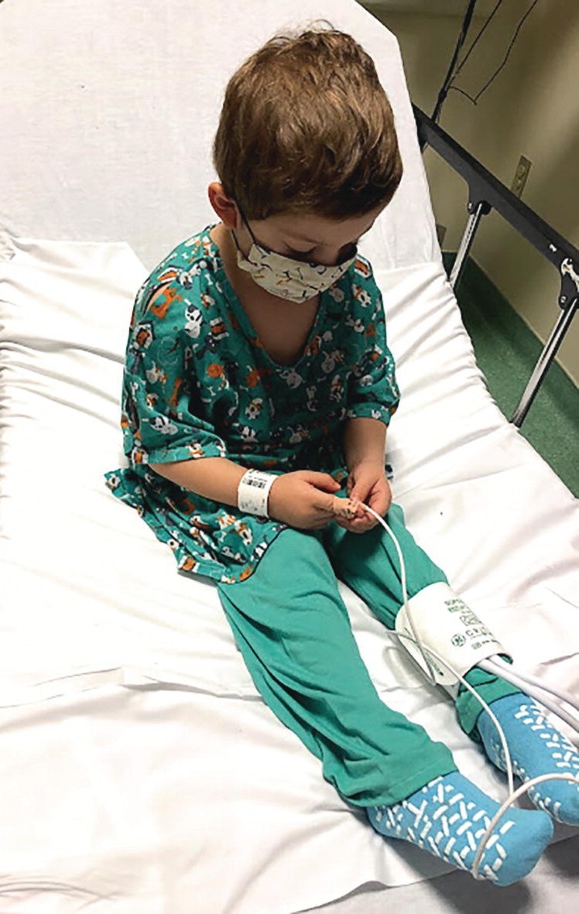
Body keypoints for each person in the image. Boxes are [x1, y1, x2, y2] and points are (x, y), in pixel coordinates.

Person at [106, 25, 579, 886]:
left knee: (400, 557)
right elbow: (160, 444)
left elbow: (366, 382)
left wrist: (369, 459)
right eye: (299, 251)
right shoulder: (177, 302)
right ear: (227, 206)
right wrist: (264, 497)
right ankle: (392, 776)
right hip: (225, 491)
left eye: (346, 247)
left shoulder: (346, 284)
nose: (324, 272)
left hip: (323, 466)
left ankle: (501, 704)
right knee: (295, 592)